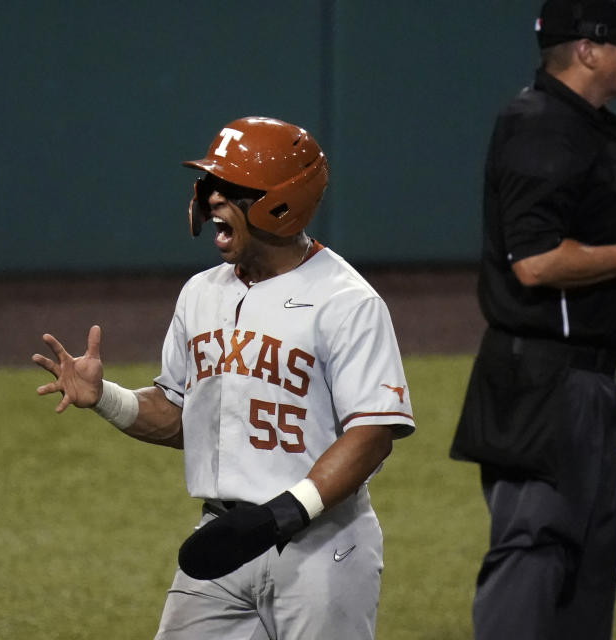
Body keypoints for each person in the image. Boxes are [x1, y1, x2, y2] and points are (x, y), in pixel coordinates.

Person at [33, 116, 415, 639]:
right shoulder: (200, 293)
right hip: (223, 539)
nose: (211, 198)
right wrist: (106, 399)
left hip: (324, 544)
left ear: (281, 201)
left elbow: (372, 435)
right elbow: (182, 415)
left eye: (230, 188)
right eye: (210, 184)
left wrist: (283, 514)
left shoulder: (346, 302)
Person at [449, 1, 616, 639]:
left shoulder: (591, 125)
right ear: (588, 49)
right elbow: (535, 262)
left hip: (585, 385)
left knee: (587, 574)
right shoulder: (540, 125)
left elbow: (585, 232)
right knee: (533, 558)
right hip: (543, 387)